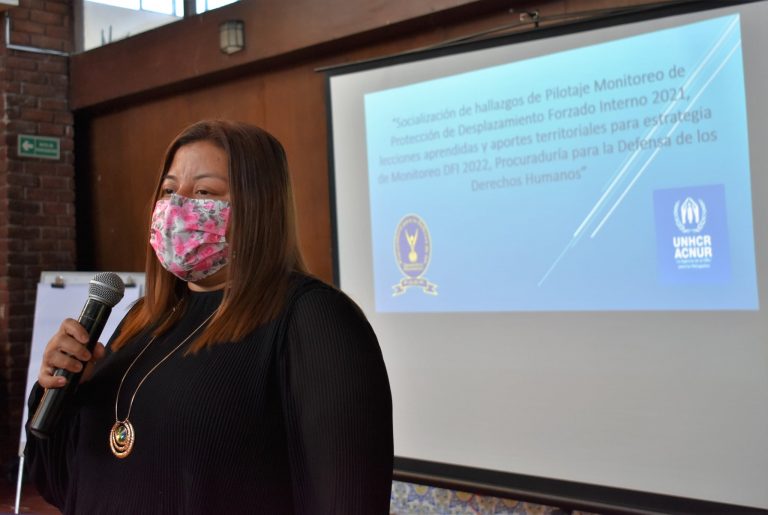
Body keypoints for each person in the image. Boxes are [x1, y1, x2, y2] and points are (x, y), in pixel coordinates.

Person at [25, 120, 394, 514]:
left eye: (204, 192)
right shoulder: (141, 318)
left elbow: (347, 498)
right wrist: (59, 390)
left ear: (259, 207)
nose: (176, 206)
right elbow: (66, 484)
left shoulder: (314, 318)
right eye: (169, 190)